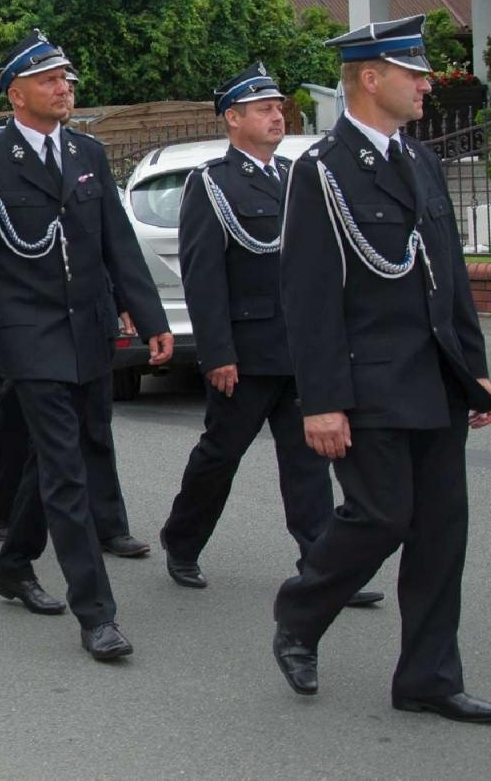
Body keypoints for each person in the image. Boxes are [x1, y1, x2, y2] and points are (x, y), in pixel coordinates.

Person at [273, 15, 491, 722]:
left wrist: (475, 365)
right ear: (371, 78)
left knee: (441, 530)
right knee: (380, 516)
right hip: (366, 378)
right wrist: (320, 400)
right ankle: (300, 612)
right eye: (414, 72)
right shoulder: (322, 170)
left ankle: (428, 677)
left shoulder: (420, 159)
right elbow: (308, 293)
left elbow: (451, 276)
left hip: (433, 377)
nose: (428, 83)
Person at [0, 30, 171, 662]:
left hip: (88, 330)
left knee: (51, 462)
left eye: (67, 79)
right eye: (49, 80)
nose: (64, 88)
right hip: (27, 335)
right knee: (67, 471)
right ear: (17, 94)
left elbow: (115, 242)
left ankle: (15, 563)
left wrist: (148, 316)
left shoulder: (87, 154)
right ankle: (96, 614)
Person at [159, 63, 383, 607]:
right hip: (246, 352)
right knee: (220, 454)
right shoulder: (211, 183)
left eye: (279, 108)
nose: (276, 116)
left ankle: (320, 564)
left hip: (297, 351)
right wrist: (217, 353)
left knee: (307, 460)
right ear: (233, 119)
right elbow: (203, 273)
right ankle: (182, 541)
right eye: (263, 109)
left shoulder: (294, 176)